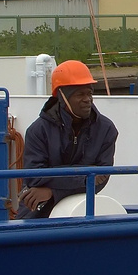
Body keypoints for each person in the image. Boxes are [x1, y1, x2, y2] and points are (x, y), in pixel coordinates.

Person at [18, 60, 119, 219]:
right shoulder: (38, 130)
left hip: (84, 208)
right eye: (80, 94)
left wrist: (52, 191)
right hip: (37, 207)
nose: (87, 99)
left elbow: (101, 178)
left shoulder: (106, 129)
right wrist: (86, 175)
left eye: (89, 93)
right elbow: (35, 176)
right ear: (62, 97)